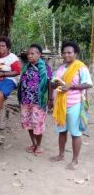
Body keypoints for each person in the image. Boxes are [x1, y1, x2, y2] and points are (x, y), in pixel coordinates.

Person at [50, 41, 92, 170]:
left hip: (75, 104)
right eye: (64, 52)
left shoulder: (81, 67)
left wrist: (71, 86)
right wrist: (55, 84)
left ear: (75, 54)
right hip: (61, 105)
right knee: (62, 132)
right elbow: (52, 83)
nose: (66, 55)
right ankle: (61, 155)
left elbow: (88, 84)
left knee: (75, 133)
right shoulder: (61, 68)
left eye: (69, 52)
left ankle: (75, 160)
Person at [17, 44, 53, 156]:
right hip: (25, 100)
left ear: (39, 54)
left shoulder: (45, 68)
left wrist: (50, 99)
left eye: (33, 53)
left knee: (37, 123)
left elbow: (50, 84)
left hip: (39, 101)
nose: (29, 56)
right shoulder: (26, 67)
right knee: (28, 123)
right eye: (28, 54)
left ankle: (39, 146)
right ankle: (33, 144)